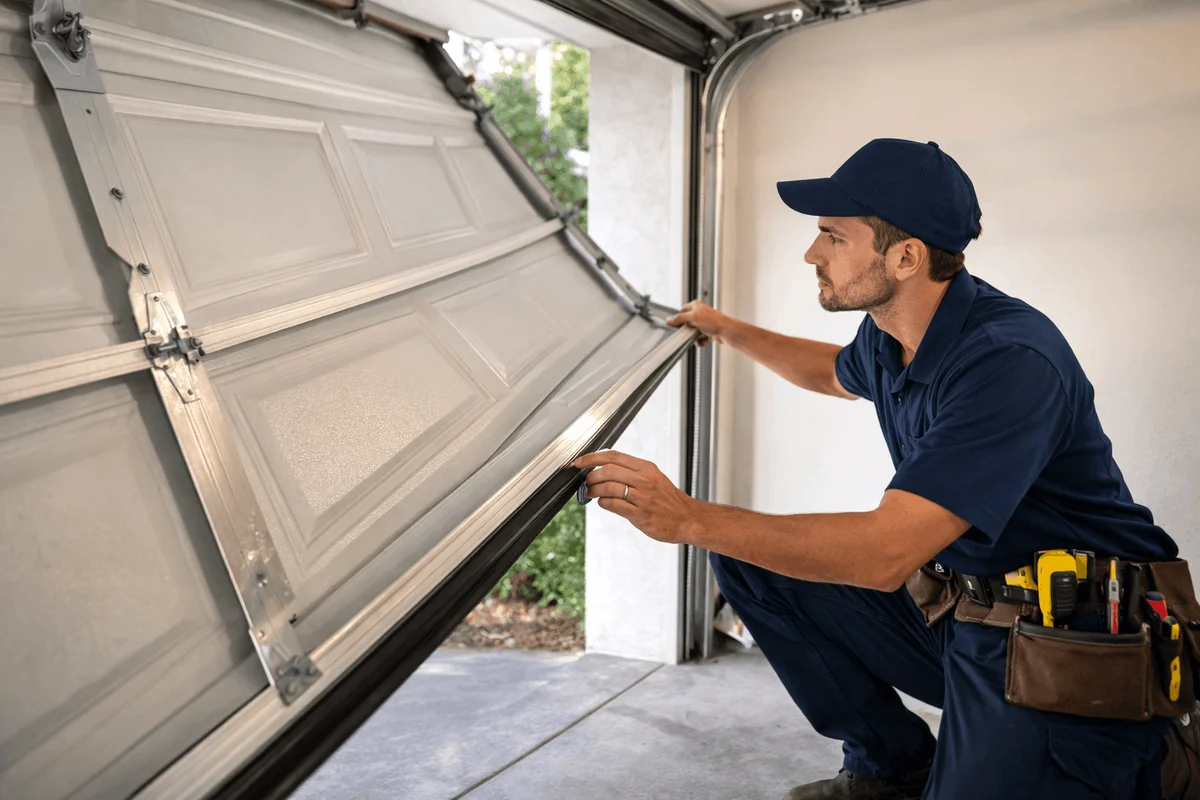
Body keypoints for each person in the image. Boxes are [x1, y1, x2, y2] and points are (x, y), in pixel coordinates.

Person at [574, 139, 1181, 799]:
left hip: (1076, 643)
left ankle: (1136, 759)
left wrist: (689, 517)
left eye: (833, 236)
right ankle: (890, 765)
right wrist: (727, 329)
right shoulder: (892, 333)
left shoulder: (1008, 362)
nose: (812, 253)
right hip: (970, 614)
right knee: (751, 558)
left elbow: (886, 553)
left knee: (727, 531)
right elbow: (830, 371)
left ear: (905, 256)